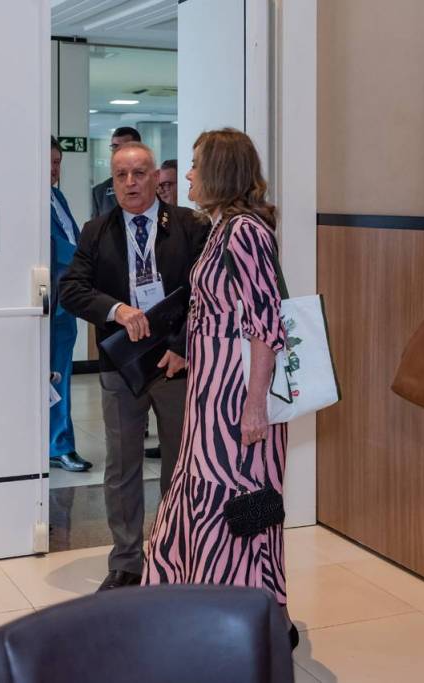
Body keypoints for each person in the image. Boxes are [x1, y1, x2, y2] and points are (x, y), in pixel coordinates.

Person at [143, 129, 298, 650]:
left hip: (235, 399)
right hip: (212, 393)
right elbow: (223, 313)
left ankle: (250, 621)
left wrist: (254, 406)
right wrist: (191, 350)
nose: (186, 175)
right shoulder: (222, 228)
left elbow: (264, 326)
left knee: (239, 508)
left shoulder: (245, 232)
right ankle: (218, 613)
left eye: (194, 164)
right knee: (211, 502)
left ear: (220, 172)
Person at [60, 142, 208, 591]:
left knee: (179, 465)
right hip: (121, 364)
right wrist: (116, 309)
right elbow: (72, 289)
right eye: (121, 175)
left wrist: (182, 344)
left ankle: (174, 554)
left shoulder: (189, 226)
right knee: (121, 466)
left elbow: (206, 295)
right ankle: (126, 561)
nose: (130, 183)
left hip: (175, 363)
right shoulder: (96, 231)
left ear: (155, 177)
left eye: (139, 173)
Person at [49, 136, 91, 473]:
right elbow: (55, 246)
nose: (54, 169)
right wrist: (84, 259)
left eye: (58, 162)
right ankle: (56, 443)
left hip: (66, 300)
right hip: (46, 300)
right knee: (46, 375)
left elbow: (73, 238)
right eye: (49, 162)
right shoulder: (27, 200)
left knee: (60, 374)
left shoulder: (57, 197)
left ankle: (60, 443)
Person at [91, 126, 142, 219]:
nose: (118, 151)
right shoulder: (100, 192)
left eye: (125, 147)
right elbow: (95, 226)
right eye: (115, 147)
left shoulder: (153, 186)